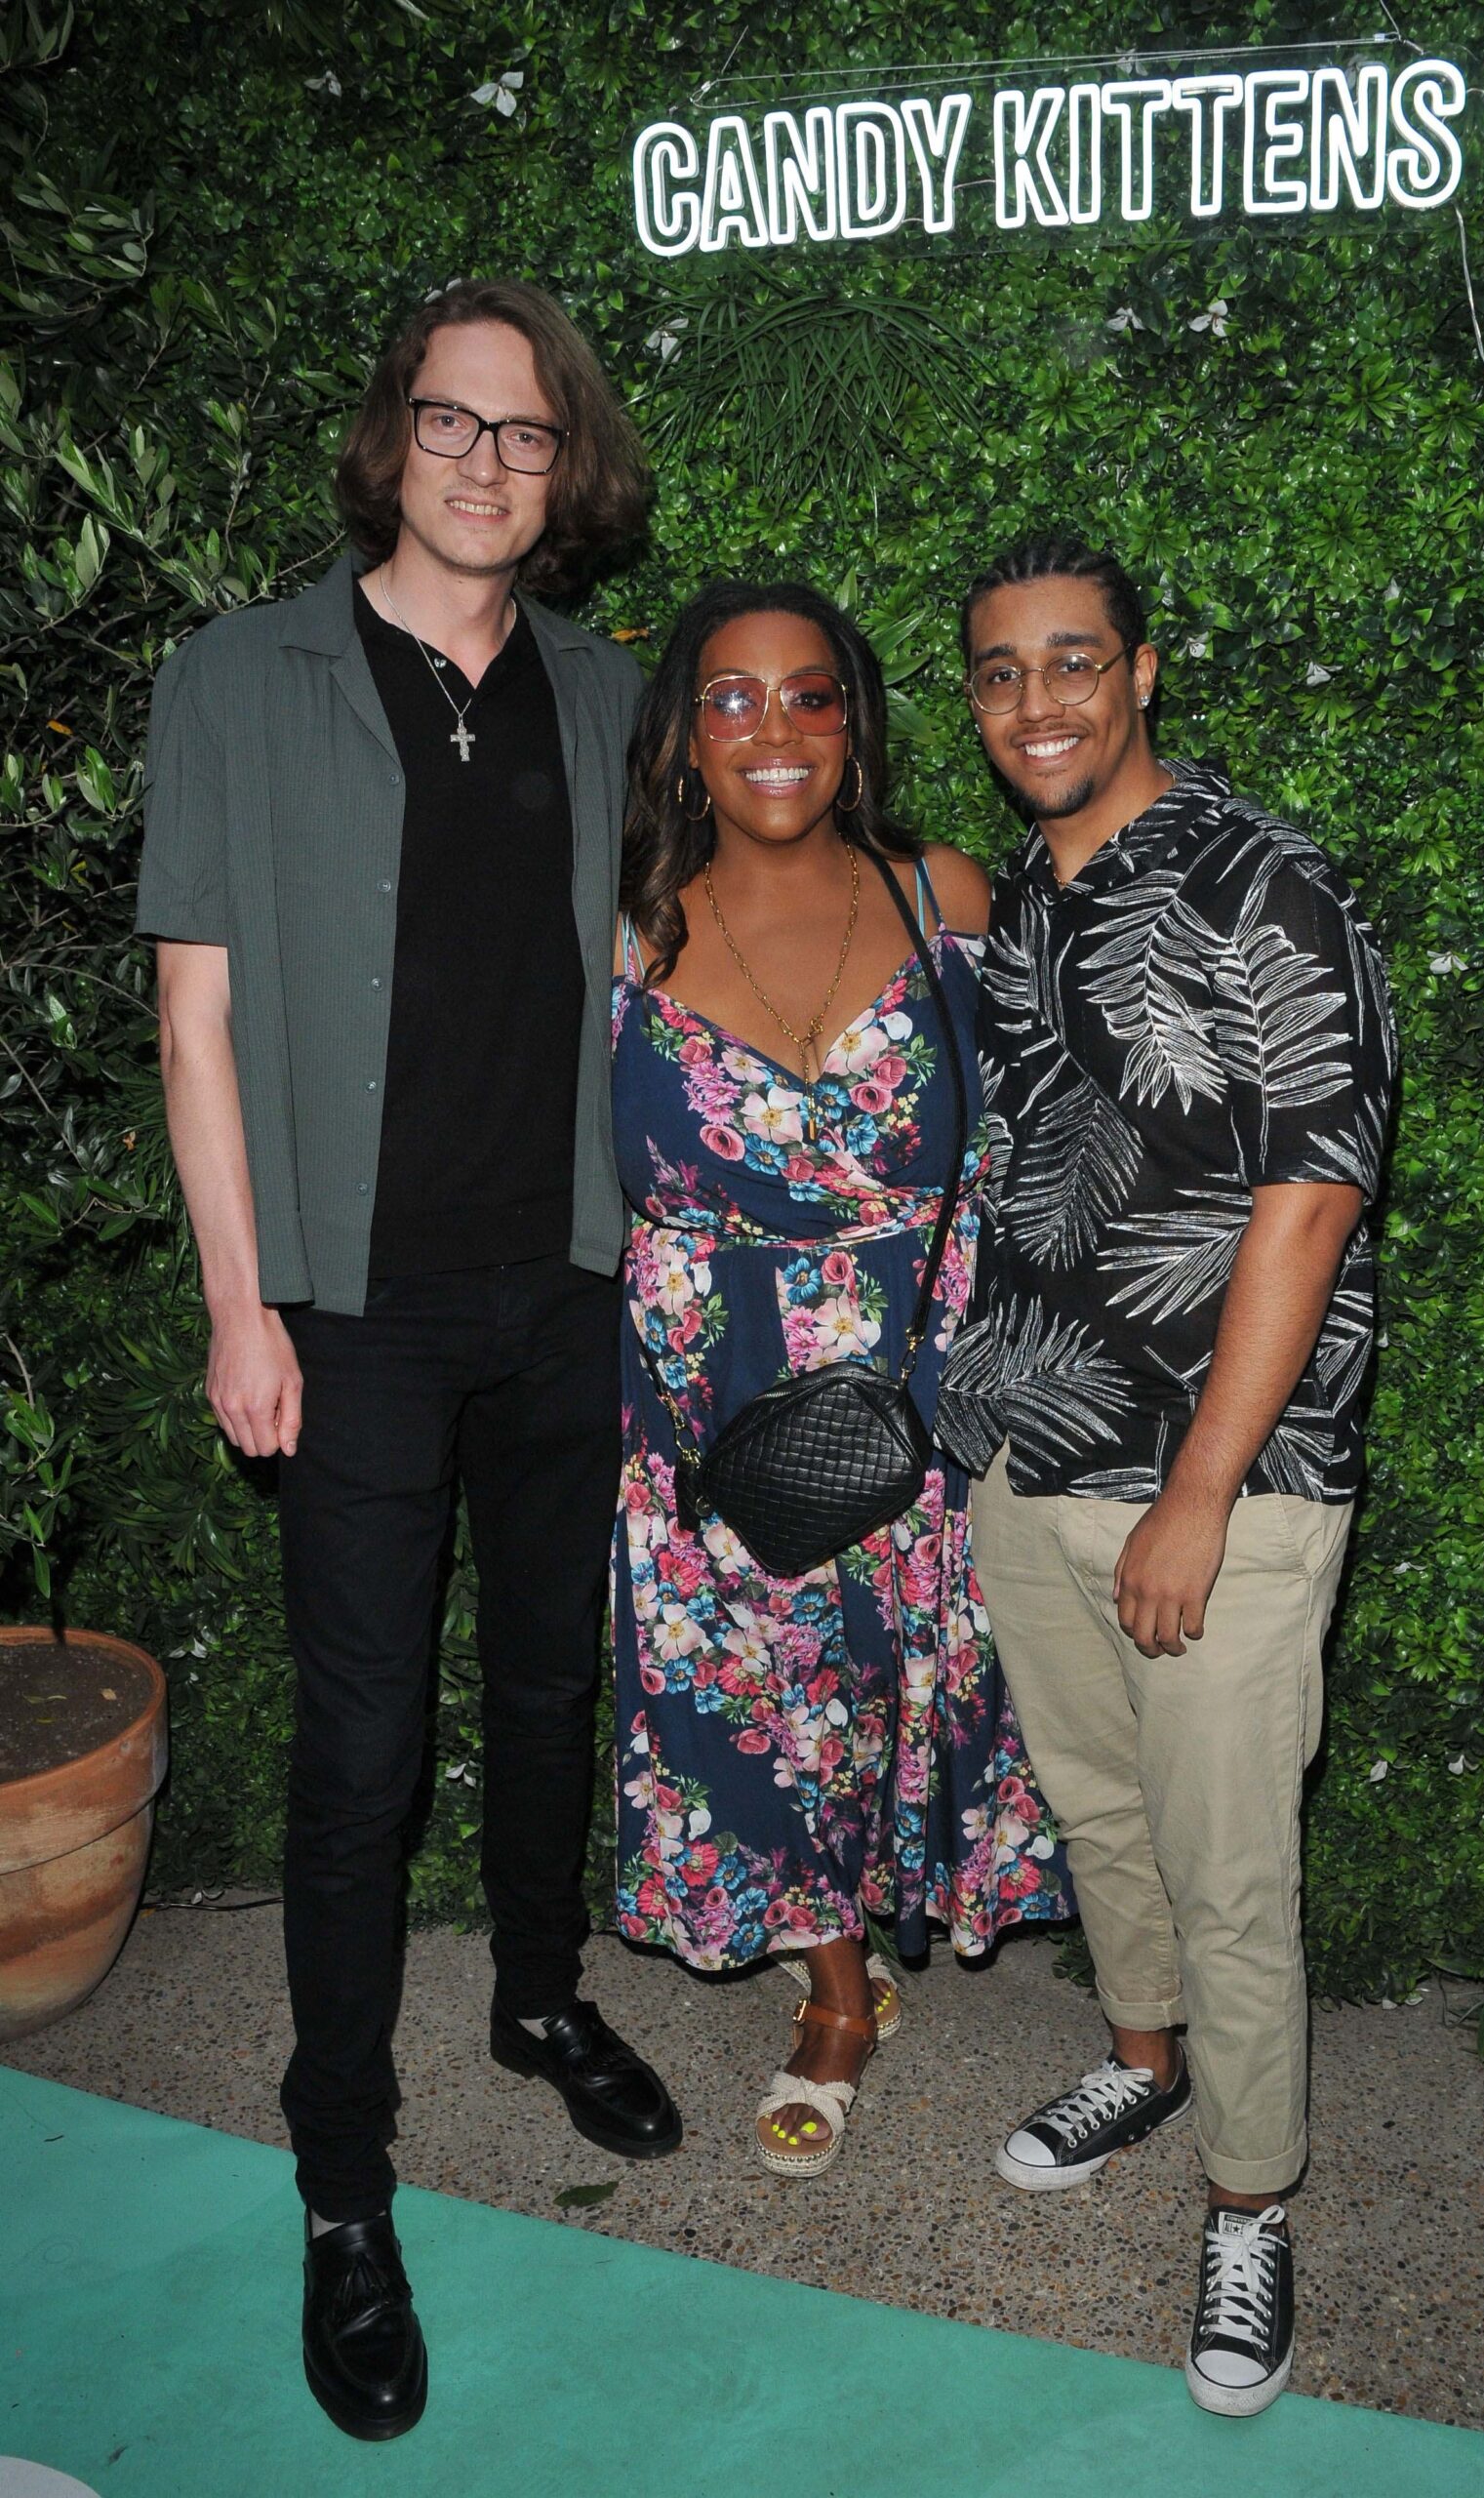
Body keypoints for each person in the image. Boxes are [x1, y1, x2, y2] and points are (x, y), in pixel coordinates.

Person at [138, 279, 682, 2443]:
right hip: (346, 1303)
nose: (483, 460)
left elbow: (651, 967)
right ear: (393, 441)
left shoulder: (609, 689)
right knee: (360, 1759)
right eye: (450, 423)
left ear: (568, 470)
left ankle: (537, 1999)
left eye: (525, 433)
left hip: (565, 1283)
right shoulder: (236, 678)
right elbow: (197, 1018)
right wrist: (234, 1299)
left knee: (554, 1681)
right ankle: (342, 2185)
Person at [936, 536, 1396, 2415]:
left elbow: (1314, 1190)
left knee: (1226, 1862)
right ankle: (1144, 2058)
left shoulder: (1259, 877)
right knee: (1097, 1808)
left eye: (1071, 663)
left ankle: (1250, 2202)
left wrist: (1200, 1490)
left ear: (1141, 673)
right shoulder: (1030, 901)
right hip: (1030, 1438)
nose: (1036, 701)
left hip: (1228, 1470)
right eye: (997, 673)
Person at [610, 580, 1071, 2180]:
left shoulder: (942, 890)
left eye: (812, 696)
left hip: (923, 1381)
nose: (776, 730)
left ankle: (903, 1922)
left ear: (856, 724)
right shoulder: (627, 929)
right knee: (763, 1695)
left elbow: (1061, 1123)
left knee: (918, 1675)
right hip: (714, 1394)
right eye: (731, 699)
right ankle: (831, 1991)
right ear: (680, 736)